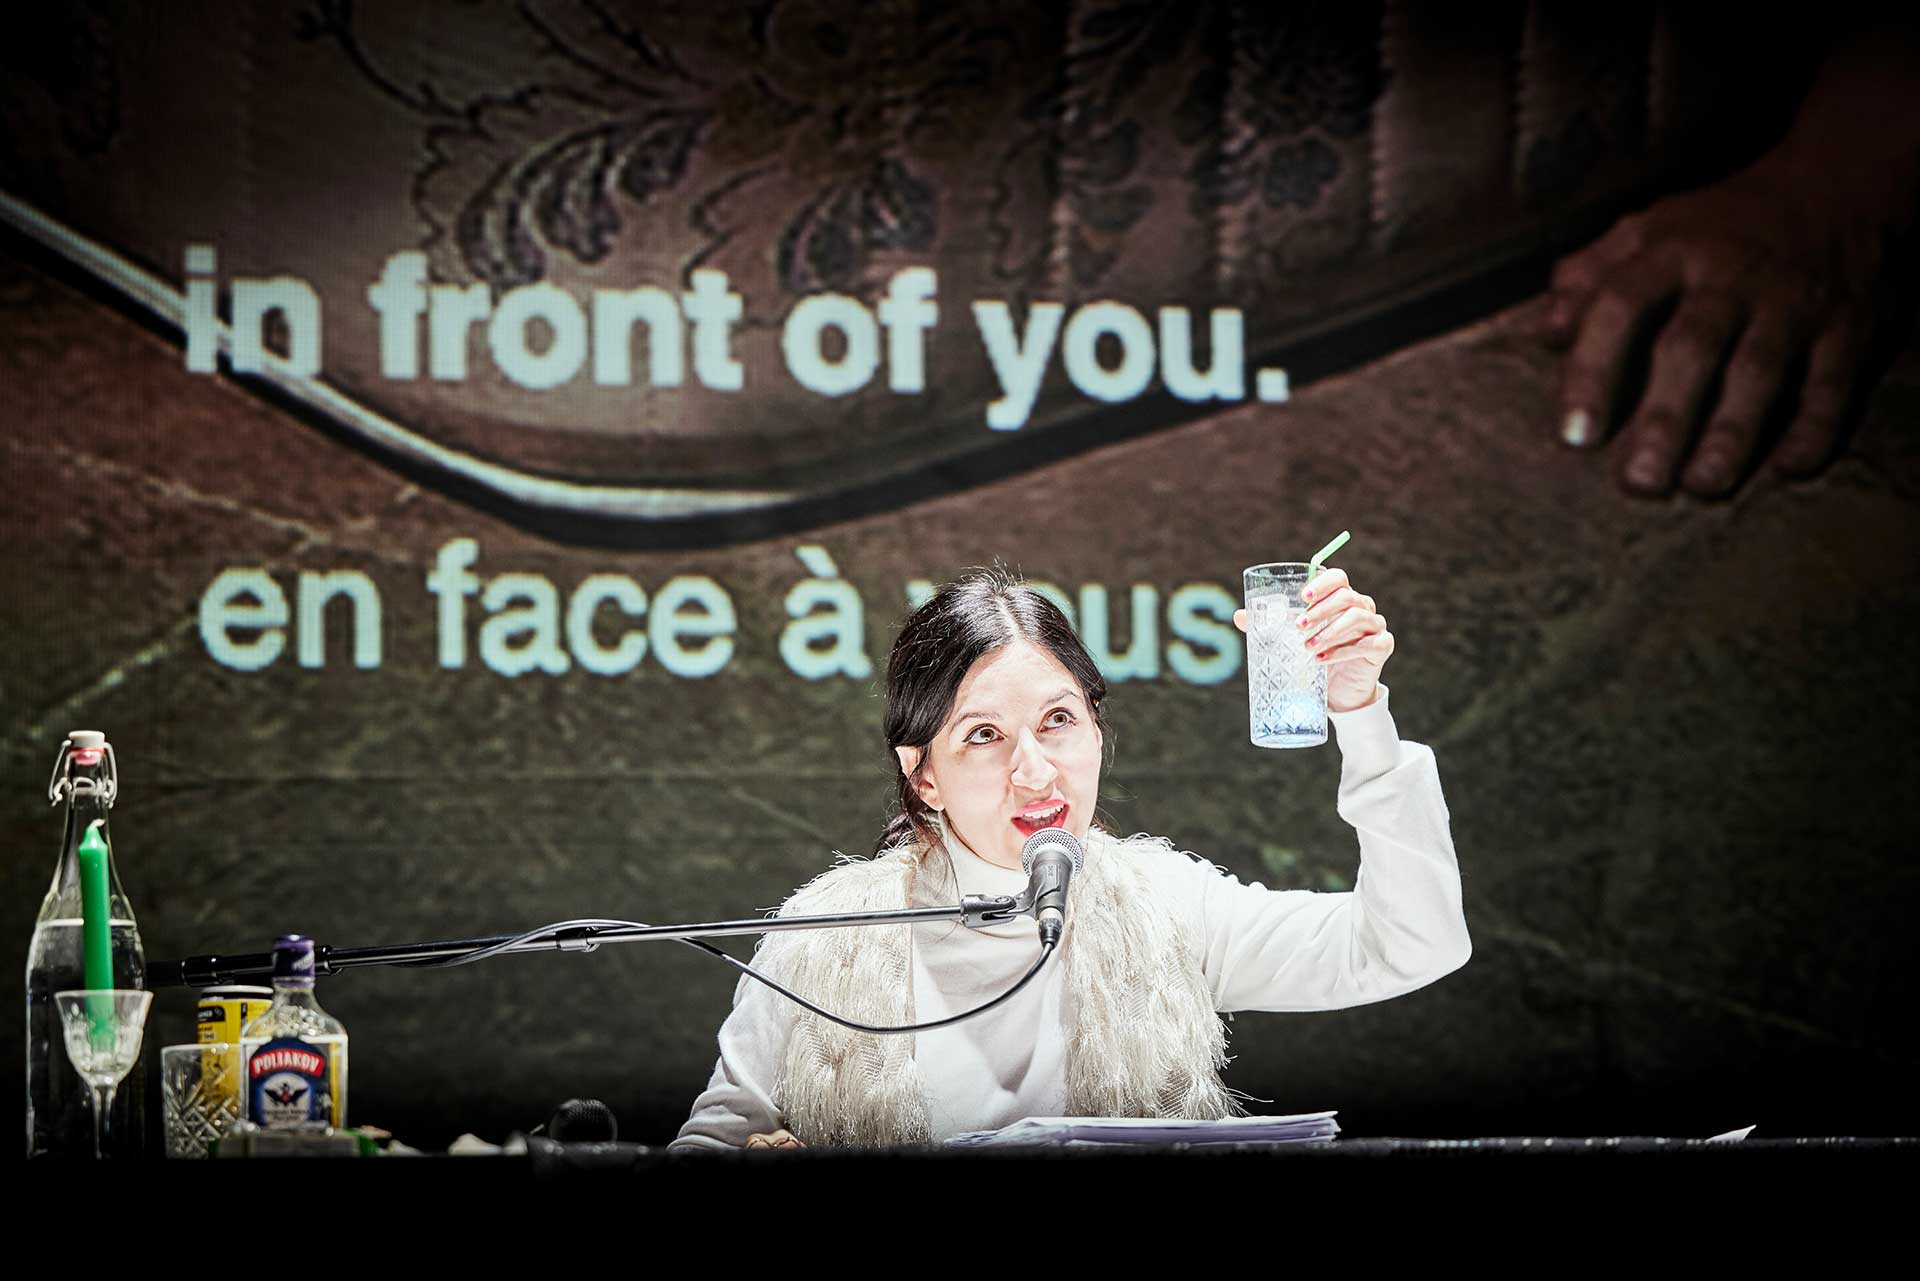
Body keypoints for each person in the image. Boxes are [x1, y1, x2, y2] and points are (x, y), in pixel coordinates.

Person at [668, 563, 1470, 1150]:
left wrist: (1361, 708)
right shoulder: (824, 935)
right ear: (925, 776)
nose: (1034, 770)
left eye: (1057, 720)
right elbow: (709, 1142)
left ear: (1095, 728)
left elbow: (1410, 943)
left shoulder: (1168, 905)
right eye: (983, 735)